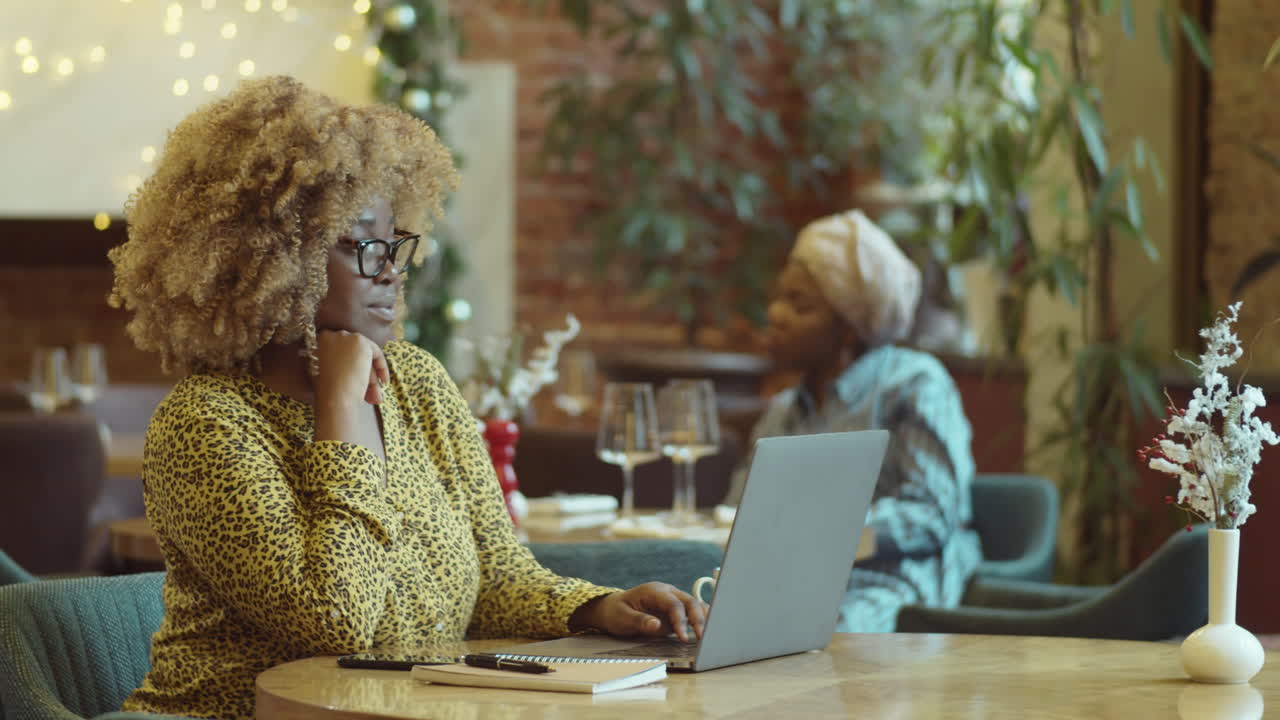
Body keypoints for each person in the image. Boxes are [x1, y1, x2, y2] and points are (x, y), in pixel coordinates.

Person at [108, 76, 704, 720]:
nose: (390, 268)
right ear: (268, 258)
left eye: (394, 243)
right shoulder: (205, 423)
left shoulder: (416, 380)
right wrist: (340, 414)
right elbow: (335, 622)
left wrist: (594, 608)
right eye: (360, 245)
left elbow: (496, 574)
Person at [723, 209, 982, 633]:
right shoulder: (784, 408)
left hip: (889, 585)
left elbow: (933, 512)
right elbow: (736, 515)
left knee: (806, 641)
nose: (775, 314)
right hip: (788, 586)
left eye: (799, 303)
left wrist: (823, 533)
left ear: (849, 326)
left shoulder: (915, 384)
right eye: (780, 296)